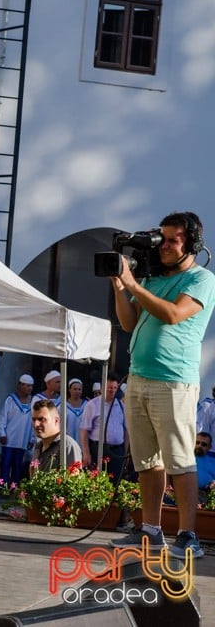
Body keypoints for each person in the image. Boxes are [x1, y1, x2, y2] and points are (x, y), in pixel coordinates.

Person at [109, 211, 215, 560]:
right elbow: (128, 323)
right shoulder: (152, 279)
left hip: (173, 382)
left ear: (193, 245)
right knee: (147, 461)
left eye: (173, 240)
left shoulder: (202, 279)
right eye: (162, 238)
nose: (165, 246)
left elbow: (173, 314)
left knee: (180, 461)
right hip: (139, 377)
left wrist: (134, 284)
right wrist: (121, 288)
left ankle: (188, 536)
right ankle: (151, 531)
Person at [79, 375, 127, 479]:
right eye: (109, 388)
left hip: (117, 451)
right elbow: (84, 430)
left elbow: (126, 430)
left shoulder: (121, 405)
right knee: (97, 481)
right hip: (99, 449)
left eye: (115, 388)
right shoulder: (93, 405)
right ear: (102, 388)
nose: (112, 391)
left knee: (116, 481)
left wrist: (126, 452)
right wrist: (86, 453)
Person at [0, 374, 34, 485]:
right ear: (20, 385)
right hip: (9, 439)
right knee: (5, 464)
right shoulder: (11, 399)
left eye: (31, 386)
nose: (29, 388)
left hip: (23, 439)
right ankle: (3, 487)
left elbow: (34, 422)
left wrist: (32, 438)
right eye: (27, 386)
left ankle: (14, 488)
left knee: (18, 465)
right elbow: (2, 417)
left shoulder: (33, 402)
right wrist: (2, 433)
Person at [30, 399, 82, 474]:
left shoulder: (67, 445)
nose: (36, 424)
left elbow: (73, 481)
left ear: (56, 420)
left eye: (42, 419)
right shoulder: (39, 446)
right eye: (34, 420)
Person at [64, 378, 88, 443]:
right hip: (67, 442)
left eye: (79, 389)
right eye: (75, 389)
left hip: (83, 442)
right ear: (69, 390)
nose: (77, 391)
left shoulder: (87, 405)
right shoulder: (63, 405)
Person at [195, 432, 215, 502]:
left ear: (209, 447)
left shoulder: (213, 461)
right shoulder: (186, 458)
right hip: (186, 492)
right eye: (197, 442)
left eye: (204, 444)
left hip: (207, 494)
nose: (199, 445)